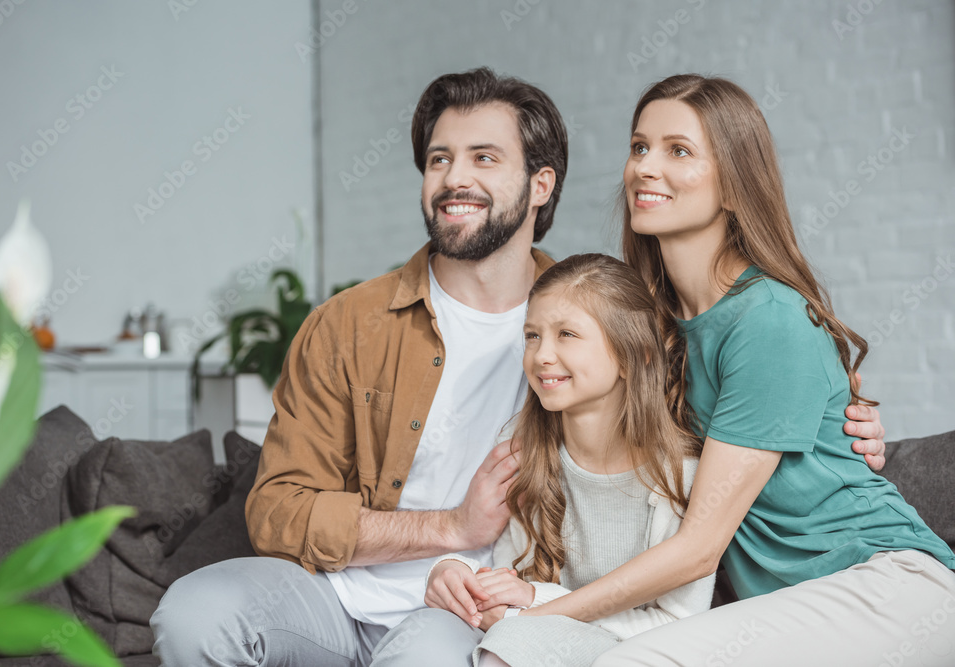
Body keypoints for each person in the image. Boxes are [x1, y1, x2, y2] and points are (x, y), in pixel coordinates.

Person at [150, 68, 887, 667]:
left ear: (541, 184)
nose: (452, 178)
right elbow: (276, 509)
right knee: (195, 613)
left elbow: (747, 392)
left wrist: (848, 422)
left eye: (483, 158)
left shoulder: (604, 318)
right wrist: (449, 526)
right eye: (439, 158)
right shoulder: (349, 324)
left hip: (480, 606)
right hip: (335, 593)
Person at [461, 73, 955, 667]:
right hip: (776, 606)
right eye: (639, 146)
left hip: (888, 585)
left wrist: (537, 611)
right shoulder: (651, 324)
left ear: (733, 185)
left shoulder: (768, 318)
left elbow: (698, 550)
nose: (646, 166)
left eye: (679, 151)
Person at [424, 253, 716, 667]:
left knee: (512, 645)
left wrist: (533, 603)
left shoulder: (680, 474)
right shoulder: (523, 447)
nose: (542, 355)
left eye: (567, 335)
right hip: (537, 637)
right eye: (532, 335)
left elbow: (677, 622)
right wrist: (452, 570)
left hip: (640, 654)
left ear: (637, 355)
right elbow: (509, 579)